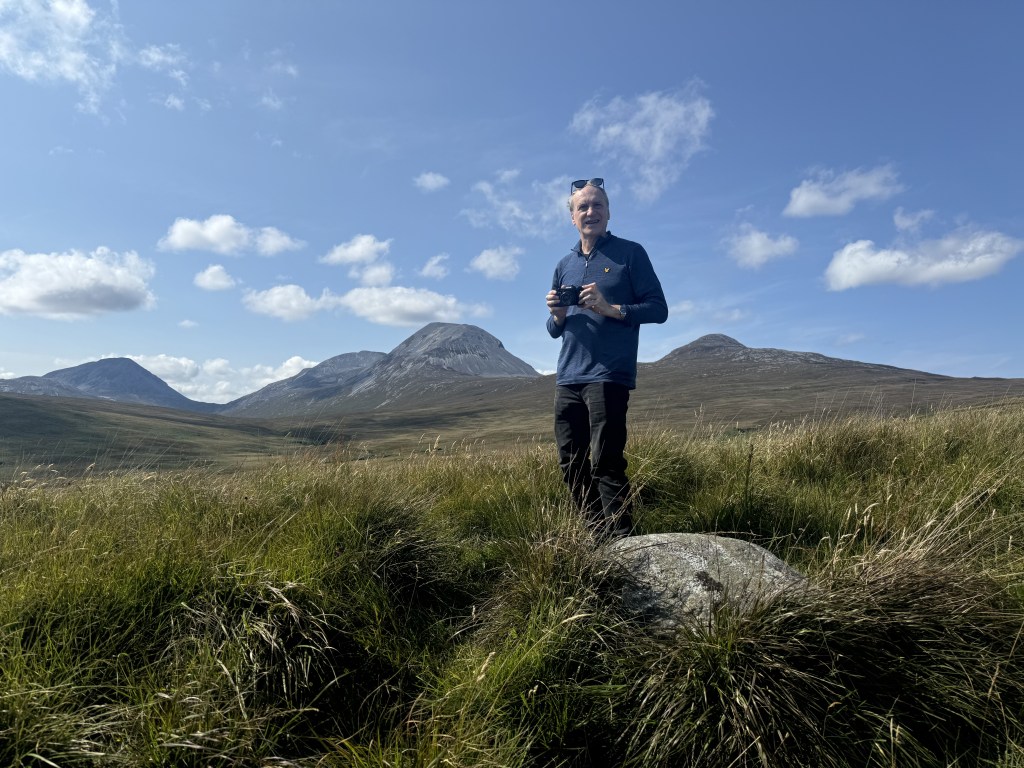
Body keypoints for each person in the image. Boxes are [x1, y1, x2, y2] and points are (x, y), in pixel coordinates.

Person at [545, 177, 668, 537]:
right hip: (568, 377)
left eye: (597, 205)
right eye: (582, 206)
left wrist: (611, 308)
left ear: (609, 213)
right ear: (572, 218)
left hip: (608, 376)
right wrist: (557, 315)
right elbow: (554, 330)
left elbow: (658, 309)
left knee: (606, 462)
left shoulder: (631, 253)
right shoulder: (563, 264)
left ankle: (623, 544)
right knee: (571, 464)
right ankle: (596, 538)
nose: (590, 211)